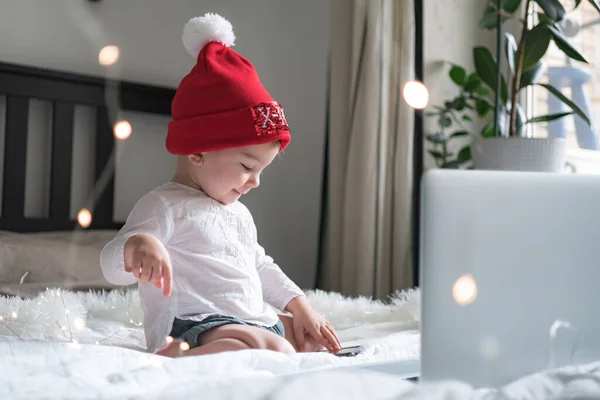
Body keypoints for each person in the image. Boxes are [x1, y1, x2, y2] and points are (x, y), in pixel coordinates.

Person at [100, 13, 341, 358]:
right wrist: (138, 246)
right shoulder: (164, 205)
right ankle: (179, 356)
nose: (255, 181)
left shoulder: (238, 213)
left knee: (307, 338)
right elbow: (111, 265)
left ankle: (264, 342)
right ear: (198, 151)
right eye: (246, 166)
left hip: (250, 319)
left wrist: (300, 306)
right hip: (193, 324)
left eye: (261, 171)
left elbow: (260, 266)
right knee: (264, 345)